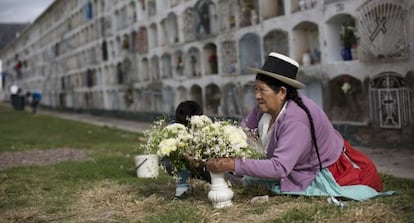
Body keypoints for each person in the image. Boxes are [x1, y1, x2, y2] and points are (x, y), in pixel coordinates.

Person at [206, 52, 390, 202]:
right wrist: (218, 147)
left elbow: (279, 168)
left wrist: (233, 164)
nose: (257, 95)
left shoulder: (296, 120)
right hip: (291, 163)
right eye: (255, 89)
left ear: (282, 92)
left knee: (265, 178)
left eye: (262, 90)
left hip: (323, 168)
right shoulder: (265, 106)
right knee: (248, 173)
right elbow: (241, 132)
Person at [163, 100, 211, 198]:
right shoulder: (172, 130)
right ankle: (182, 185)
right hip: (177, 164)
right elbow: (166, 153)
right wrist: (183, 154)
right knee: (176, 161)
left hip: (200, 164)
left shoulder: (204, 128)